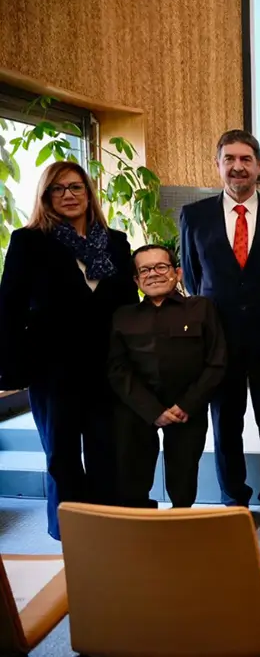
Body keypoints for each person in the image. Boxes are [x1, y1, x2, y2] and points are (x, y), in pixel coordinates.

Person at [0, 161, 137, 539]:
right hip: (52, 369)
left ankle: (105, 523)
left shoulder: (115, 242)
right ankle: (69, 532)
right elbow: (8, 306)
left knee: (105, 451)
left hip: (106, 367)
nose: (68, 196)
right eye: (58, 190)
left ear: (89, 193)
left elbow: (128, 304)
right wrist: (10, 368)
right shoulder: (29, 241)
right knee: (61, 456)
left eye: (76, 188)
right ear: (45, 197)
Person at [179, 129, 260, 532]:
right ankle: (234, 499)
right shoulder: (194, 215)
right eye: (229, 159)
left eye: (245, 159)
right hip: (218, 344)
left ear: (259, 167)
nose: (237, 166)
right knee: (225, 425)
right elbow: (196, 282)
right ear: (217, 165)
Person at [108, 245, 226, 509]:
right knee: (132, 478)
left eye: (161, 267)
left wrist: (187, 405)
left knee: (183, 477)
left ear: (177, 273)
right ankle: (141, 531)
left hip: (187, 407)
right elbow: (117, 368)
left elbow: (217, 361)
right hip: (137, 409)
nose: (153, 274)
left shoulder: (201, 308)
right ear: (137, 280)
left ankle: (179, 526)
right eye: (144, 270)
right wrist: (153, 411)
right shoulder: (123, 317)